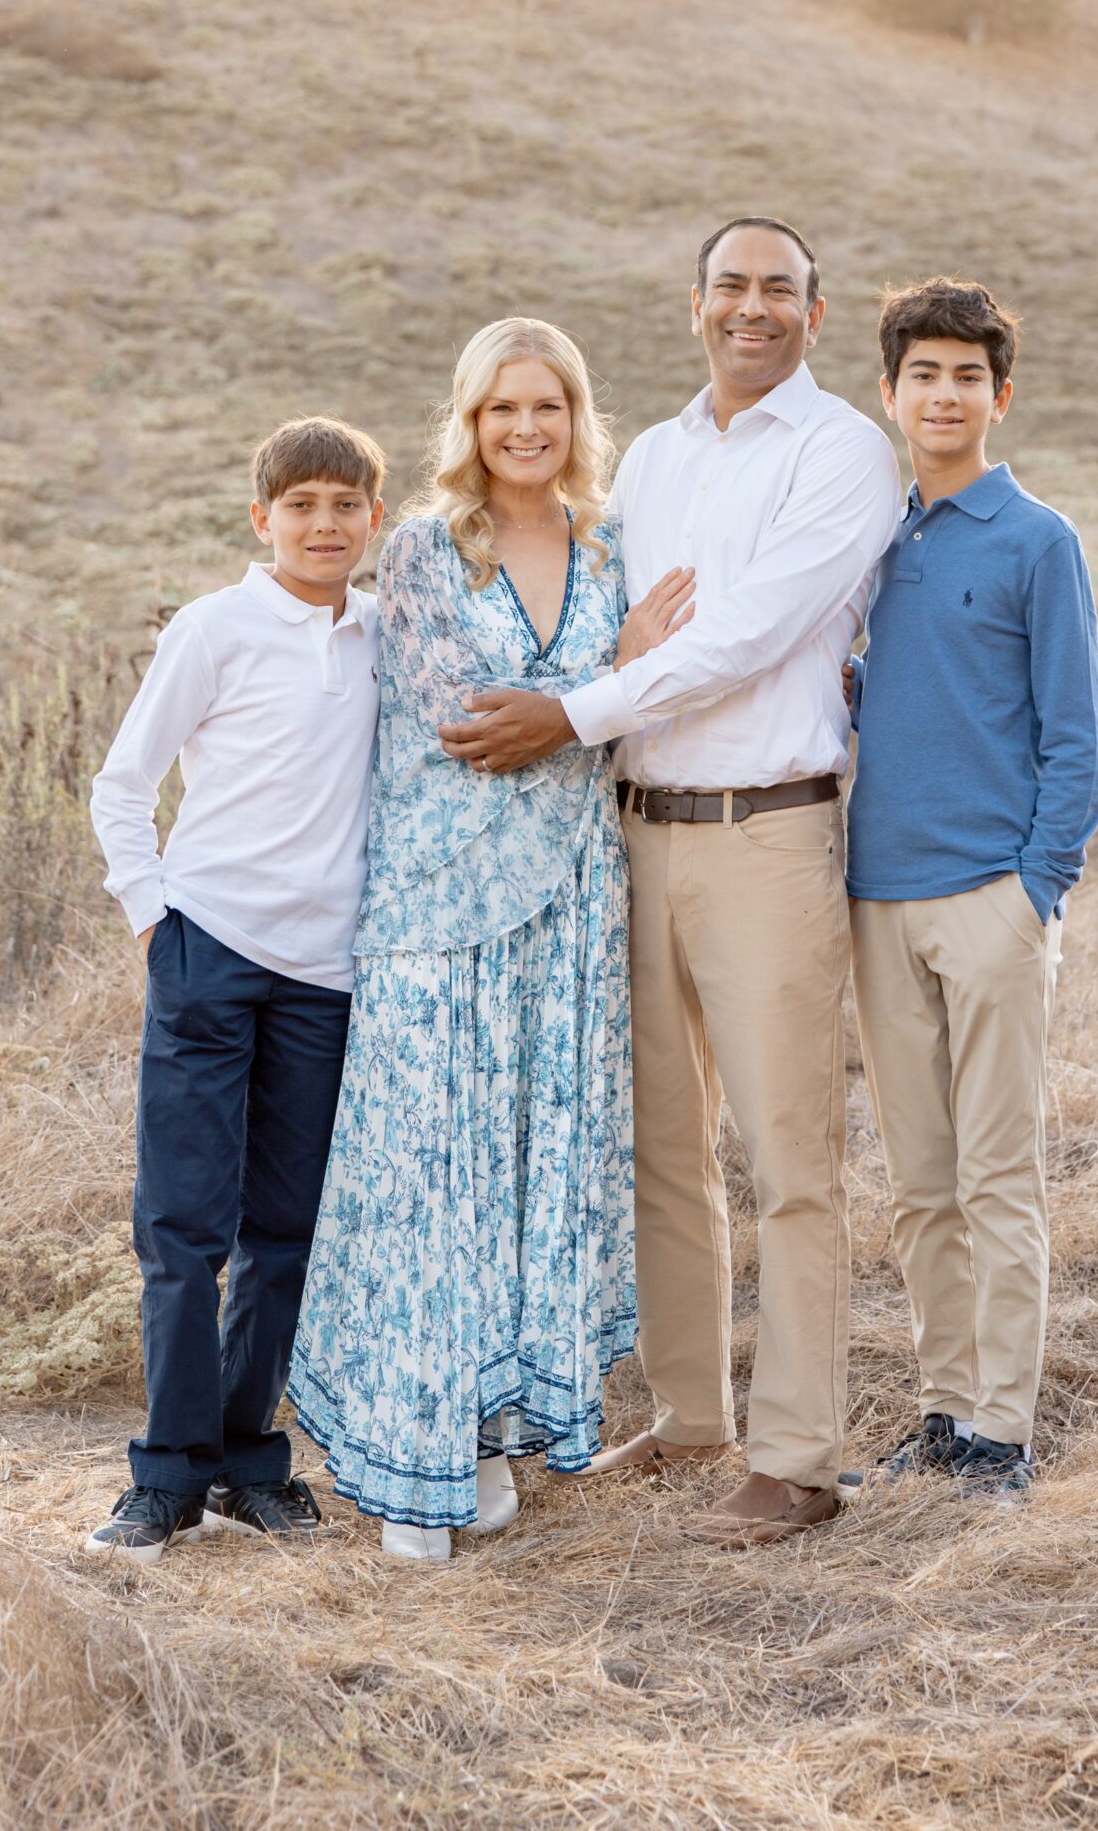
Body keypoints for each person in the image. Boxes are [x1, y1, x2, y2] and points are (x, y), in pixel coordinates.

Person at [441, 221, 900, 1548]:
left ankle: (800, 1454)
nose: (752, 309)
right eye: (731, 288)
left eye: (779, 291)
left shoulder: (840, 453)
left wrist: (572, 709)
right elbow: (622, 618)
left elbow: (750, 636)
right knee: (662, 1146)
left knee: (790, 1154)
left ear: (816, 315)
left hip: (767, 836)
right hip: (636, 832)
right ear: (695, 306)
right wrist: (596, 677)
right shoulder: (652, 456)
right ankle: (694, 1419)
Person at [287, 318, 693, 1563]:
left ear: (579, 421)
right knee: (429, 1182)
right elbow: (468, 724)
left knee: (531, 1175)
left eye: (548, 408)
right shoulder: (417, 550)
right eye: (500, 409)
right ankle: (412, 1458)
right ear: (467, 423)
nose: (525, 429)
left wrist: (598, 692)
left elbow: (635, 711)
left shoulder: (614, 546)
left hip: (570, 910)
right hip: (433, 916)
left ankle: (487, 1436)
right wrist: (607, 681)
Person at [85, 416, 386, 1561]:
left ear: (371, 518)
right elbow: (124, 781)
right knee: (183, 1224)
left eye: (345, 505)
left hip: (328, 973)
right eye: (300, 505)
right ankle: (165, 1476)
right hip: (209, 948)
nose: (323, 524)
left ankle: (248, 1461)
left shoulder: (379, 634)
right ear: (262, 518)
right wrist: (154, 919)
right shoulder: (215, 628)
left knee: (284, 1228)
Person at [845, 278, 1098, 1498]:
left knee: (1000, 1176)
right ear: (889, 393)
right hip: (876, 896)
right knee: (918, 1184)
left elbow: (1077, 740)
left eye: (966, 376)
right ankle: (944, 1409)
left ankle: (1002, 1430)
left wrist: (1033, 889)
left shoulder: (1036, 539)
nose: (942, 394)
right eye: (922, 374)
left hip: (990, 901)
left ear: (999, 397)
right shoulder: (873, 537)